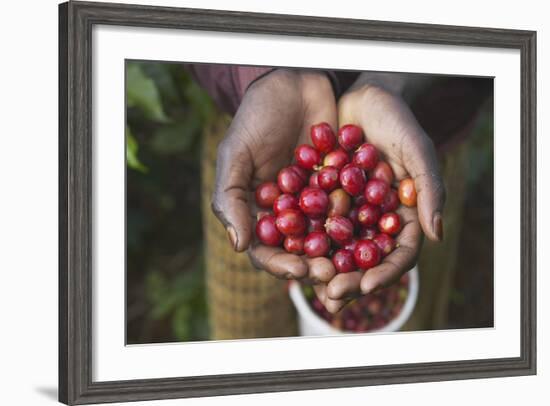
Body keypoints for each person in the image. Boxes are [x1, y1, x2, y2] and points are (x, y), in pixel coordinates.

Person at [190, 65, 491, 316]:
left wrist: (390, 76)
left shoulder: (351, 192)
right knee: (246, 317)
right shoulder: (291, 183)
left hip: (420, 139)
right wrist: (260, 72)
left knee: (410, 310)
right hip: (261, 140)